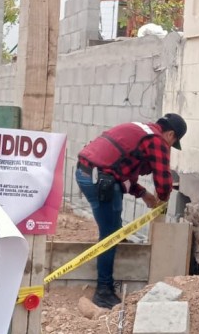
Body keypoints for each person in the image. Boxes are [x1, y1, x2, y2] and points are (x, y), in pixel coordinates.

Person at [75, 113, 187, 308]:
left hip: (89, 173)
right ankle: (103, 291)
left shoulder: (141, 130)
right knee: (110, 235)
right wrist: (163, 197)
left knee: (114, 228)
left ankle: (114, 248)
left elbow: (120, 173)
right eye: (173, 143)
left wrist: (143, 193)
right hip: (101, 180)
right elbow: (163, 182)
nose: (169, 147)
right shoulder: (157, 140)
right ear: (170, 135)